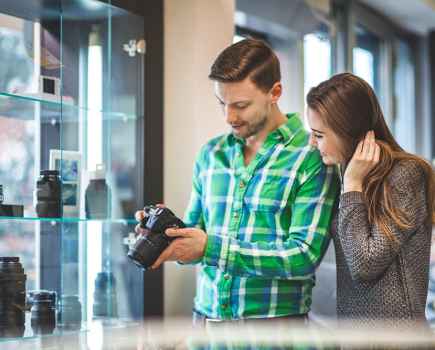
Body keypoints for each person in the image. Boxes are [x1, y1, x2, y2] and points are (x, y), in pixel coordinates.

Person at [136, 39, 339, 323]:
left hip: (274, 332)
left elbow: (303, 257)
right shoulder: (211, 154)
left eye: (241, 105)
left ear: (275, 92)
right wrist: (167, 236)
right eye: (222, 103)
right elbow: (196, 240)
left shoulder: (312, 156)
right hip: (206, 326)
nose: (229, 117)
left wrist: (210, 247)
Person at [306, 72, 435, 327]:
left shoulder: (406, 173)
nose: (312, 143)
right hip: (355, 335)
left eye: (319, 135)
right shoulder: (342, 173)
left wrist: (353, 186)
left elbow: (364, 265)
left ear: (346, 131)